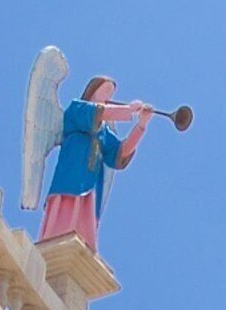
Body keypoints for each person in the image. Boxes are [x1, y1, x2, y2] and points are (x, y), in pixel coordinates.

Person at [41, 78, 159, 250]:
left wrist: (141, 125)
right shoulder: (77, 108)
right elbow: (98, 112)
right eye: (105, 91)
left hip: (91, 183)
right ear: (92, 91)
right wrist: (128, 110)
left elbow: (121, 152)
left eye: (111, 93)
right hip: (70, 175)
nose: (108, 96)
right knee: (65, 209)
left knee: (86, 215)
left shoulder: (104, 131)